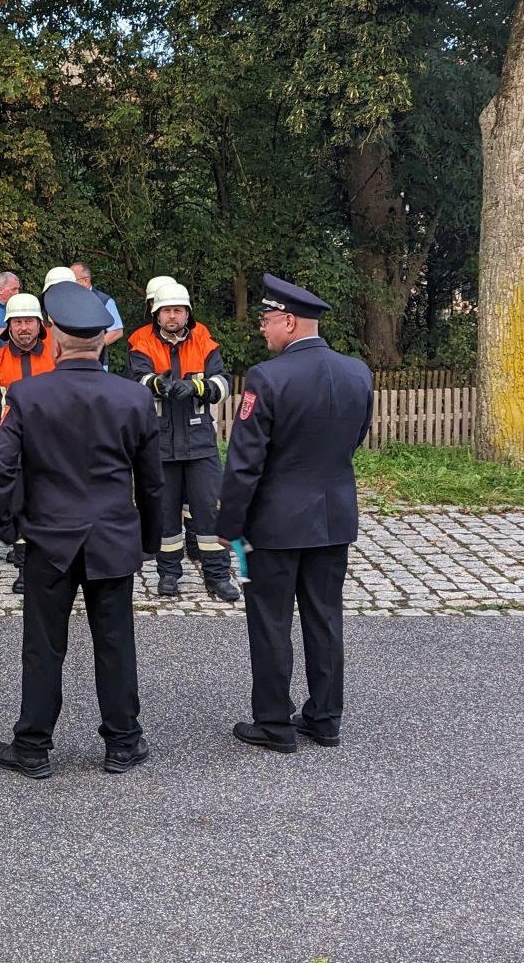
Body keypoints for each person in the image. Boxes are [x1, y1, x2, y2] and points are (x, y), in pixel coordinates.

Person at [0, 281, 163, 780]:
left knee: (43, 645)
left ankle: (34, 746)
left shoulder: (28, 394)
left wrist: (4, 525)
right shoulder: (133, 398)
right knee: (116, 641)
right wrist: (147, 540)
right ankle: (122, 742)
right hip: (112, 535)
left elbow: (0, 472)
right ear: (103, 339)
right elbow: (152, 481)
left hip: (49, 538)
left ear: (54, 337)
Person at [215, 275, 373, 754]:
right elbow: (354, 439)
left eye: (266, 320)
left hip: (273, 525)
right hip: (333, 517)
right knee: (325, 618)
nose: (262, 329)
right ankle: (325, 718)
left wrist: (229, 528)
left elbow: (245, 464)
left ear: (288, 320)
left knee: (270, 619)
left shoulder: (267, 377)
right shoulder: (357, 372)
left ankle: (273, 723)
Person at [125, 282, 240, 602]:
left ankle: (217, 576)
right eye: (166, 311)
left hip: (199, 441)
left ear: (187, 313)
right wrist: (159, 384)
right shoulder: (142, 343)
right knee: (165, 513)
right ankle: (169, 575)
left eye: (177, 310)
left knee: (209, 511)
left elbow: (223, 382)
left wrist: (197, 388)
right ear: (156, 314)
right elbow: (136, 380)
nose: (172, 316)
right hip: (160, 443)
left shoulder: (204, 340)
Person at [0, 292, 53, 592]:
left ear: (40, 324)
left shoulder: (57, 356)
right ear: (8, 326)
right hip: (12, 446)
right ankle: (24, 568)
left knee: (51, 506)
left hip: (52, 445)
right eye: (17, 322)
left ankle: (54, 564)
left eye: (29, 320)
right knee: (19, 507)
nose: (23, 327)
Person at [70, 262, 126, 368]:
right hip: (72, 362)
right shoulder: (69, 301)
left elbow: (117, 331)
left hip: (97, 362)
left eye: (72, 281)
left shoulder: (104, 301)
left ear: (85, 280)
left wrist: (92, 347)